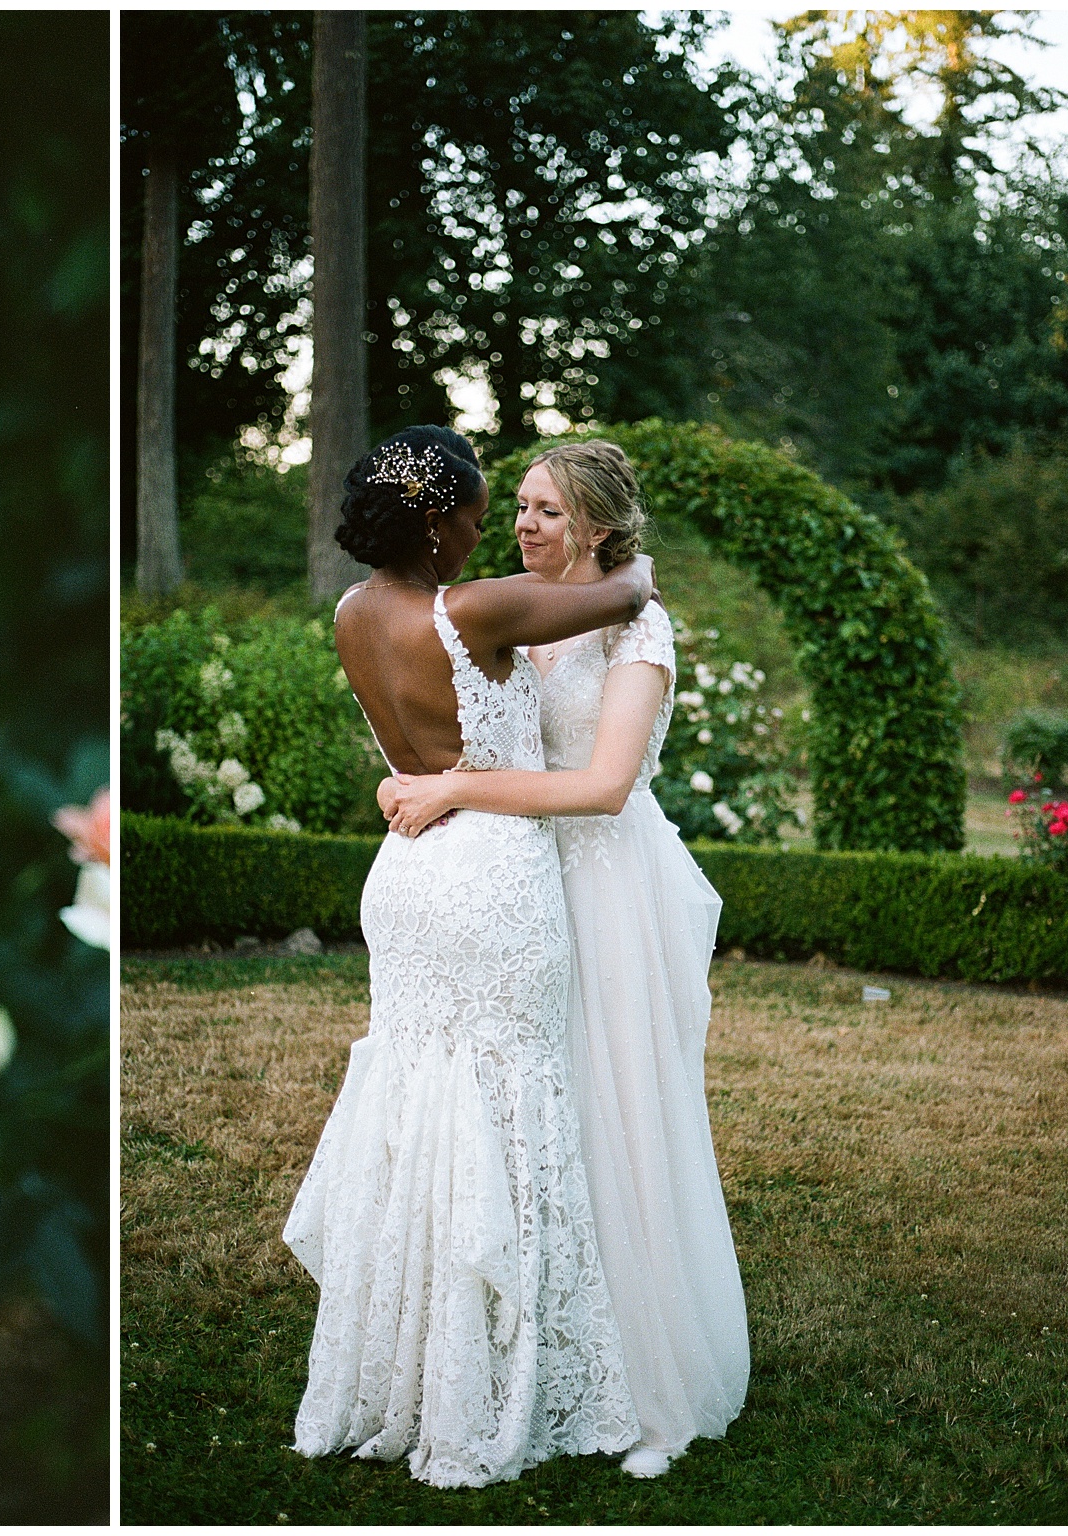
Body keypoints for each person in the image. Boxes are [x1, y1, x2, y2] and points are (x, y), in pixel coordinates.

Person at [284, 426, 654, 1489]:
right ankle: (495, 1376)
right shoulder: (472, 608)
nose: (491, 536)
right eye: (482, 518)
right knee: (509, 1112)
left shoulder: (355, 613)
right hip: (492, 873)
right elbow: (627, 594)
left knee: (416, 1107)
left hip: (405, 873)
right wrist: (614, 543)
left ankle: (394, 1369)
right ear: (438, 522)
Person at [379, 440, 750, 1479]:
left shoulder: (640, 628)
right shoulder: (521, 616)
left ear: (595, 527)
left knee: (620, 1119)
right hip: (519, 892)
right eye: (521, 510)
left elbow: (603, 785)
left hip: (609, 887)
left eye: (546, 512)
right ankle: (533, 1356)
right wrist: (415, 781)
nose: (524, 526)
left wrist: (453, 789)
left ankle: (656, 1397)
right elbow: (479, 734)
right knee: (538, 1130)